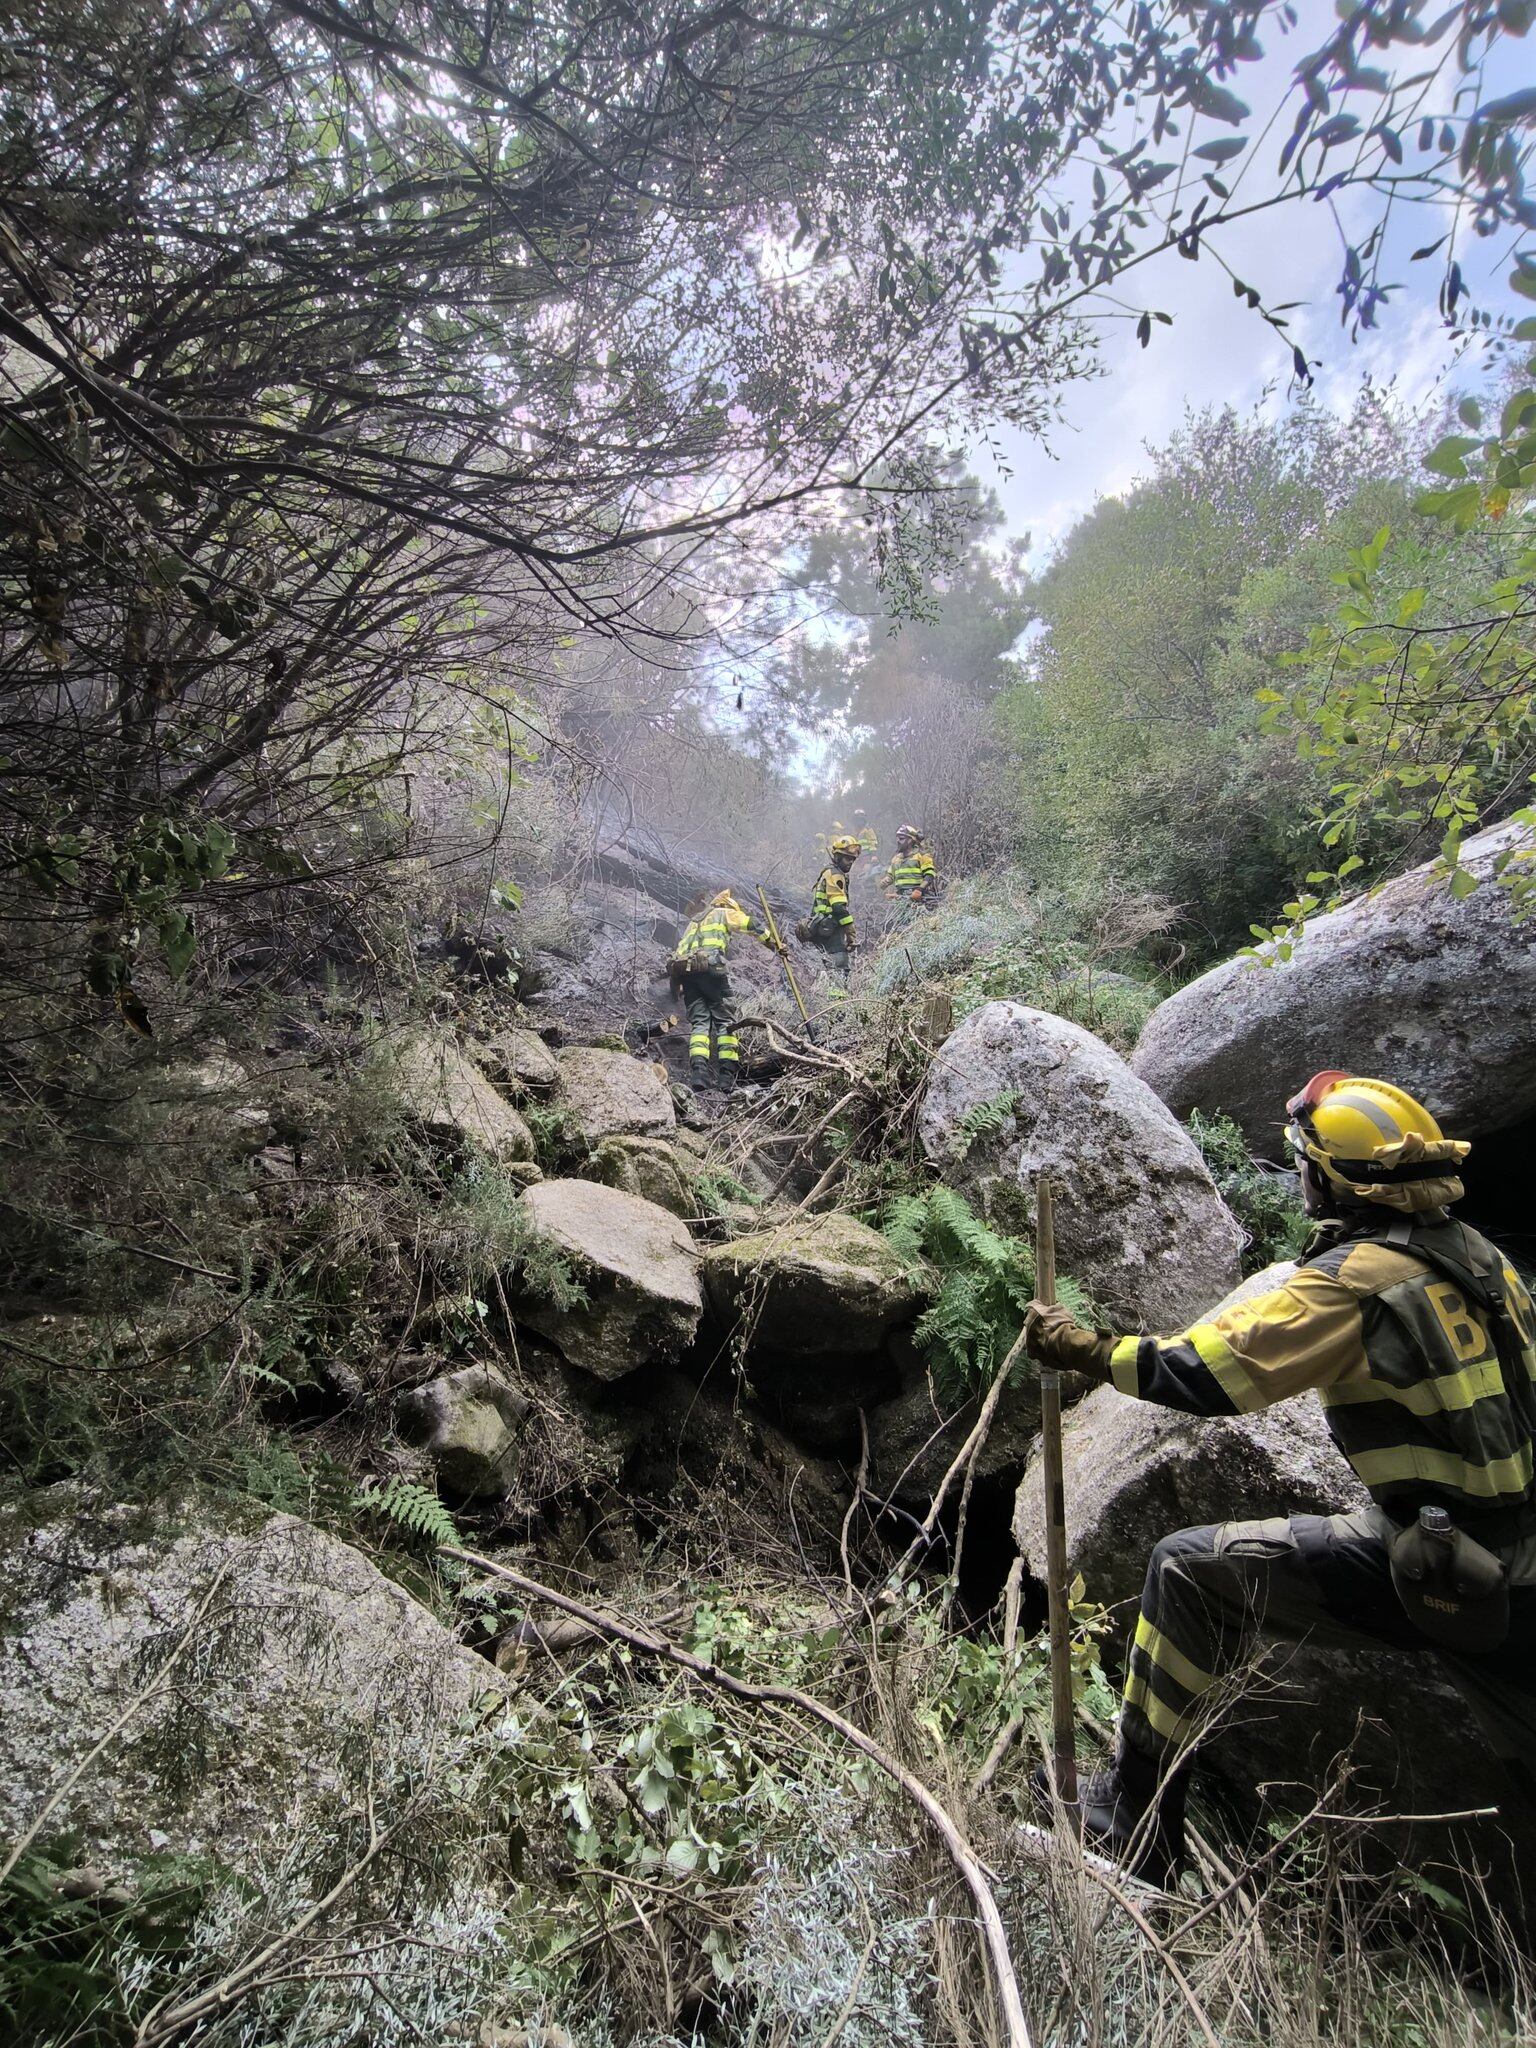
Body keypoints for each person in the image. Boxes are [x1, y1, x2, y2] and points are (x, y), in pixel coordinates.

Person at [1023, 1071, 1536, 1884]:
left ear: (1329, 1179)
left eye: (1303, 1162)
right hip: (1509, 1555)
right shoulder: (1485, 1258)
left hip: (1453, 1567)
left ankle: (1134, 1825)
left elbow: (1208, 1373)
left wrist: (1086, 1350)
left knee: (1187, 1571)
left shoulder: (1353, 1285)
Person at [670, 889, 780, 1091]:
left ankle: (699, 1074)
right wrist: (772, 941)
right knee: (726, 1022)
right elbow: (751, 924)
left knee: (700, 1024)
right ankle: (727, 1077)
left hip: (688, 976)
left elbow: (679, 952)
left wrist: (677, 986)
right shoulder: (724, 912)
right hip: (711, 972)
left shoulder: (694, 922)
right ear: (728, 905)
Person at [801, 835, 861, 978]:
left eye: (852, 859)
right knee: (840, 966)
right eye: (847, 858)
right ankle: (837, 991)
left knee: (827, 966)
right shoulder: (835, 875)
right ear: (837, 856)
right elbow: (838, 907)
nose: (850, 862)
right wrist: (851, 934)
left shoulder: (830, 871)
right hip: (830, 928)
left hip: (822, 926)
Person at [885, 824, 937, 907]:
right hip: (901, 899)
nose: (898, 841)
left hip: (919, 900)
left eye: (901, 839)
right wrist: (885, 881)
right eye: (897, 838)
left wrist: (919, 890)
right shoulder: (896, 859)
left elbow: (929, 875)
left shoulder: (921, 856)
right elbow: (890, 875)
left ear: (910, 840)